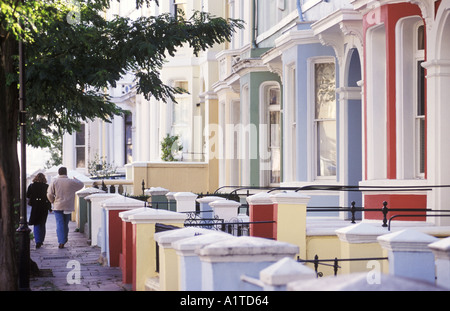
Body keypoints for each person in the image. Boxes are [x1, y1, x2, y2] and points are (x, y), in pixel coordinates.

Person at [47, 167, 84, 248]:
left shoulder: (54, 181)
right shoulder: (71, 181)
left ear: (59, 173)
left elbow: (49, 194)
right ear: (66, 173)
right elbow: (81, 184)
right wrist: (76, 178)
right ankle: (64, 238)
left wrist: (52, 201)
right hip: (68, 205)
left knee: (59, 223)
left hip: (58, 205)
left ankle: (61, 241)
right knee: (65, 223)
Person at [27, 173, 52, 249]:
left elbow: (27, 195)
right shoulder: (46, 186)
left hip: (35, 206)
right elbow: (48, 198)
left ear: (36, 178)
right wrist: (49, 208)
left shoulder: (31, 186)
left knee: (36, 223)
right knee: (42, 223)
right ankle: (41, 240)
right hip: (44, 206)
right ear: (44, 178)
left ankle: (37, 241)